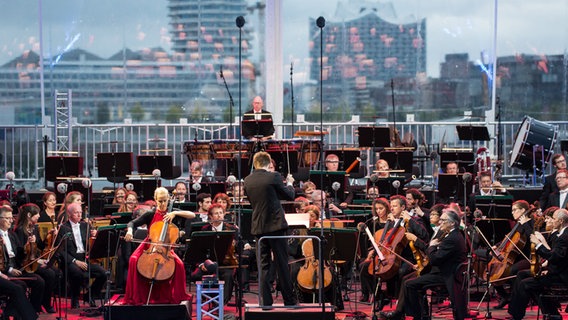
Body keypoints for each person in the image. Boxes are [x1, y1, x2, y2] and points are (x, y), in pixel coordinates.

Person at [123, 187, 195, 305]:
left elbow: (192, 215)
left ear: (168, 199)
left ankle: (176, 296)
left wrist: (175, 212)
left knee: (180, 265)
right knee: (133, 259)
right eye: (160, 201)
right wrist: (130, 231)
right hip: (150, 246)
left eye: (165, 200)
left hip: (165, 249)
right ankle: (136, 295)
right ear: (155, 200)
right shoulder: (150, 214)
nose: (162, 204)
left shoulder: (172, 212)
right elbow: (132, 223)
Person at [243, 151, 297, 308]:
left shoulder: (248, 180)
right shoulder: (273, 176)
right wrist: (290, 183)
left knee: (264, 265)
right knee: (282, 263)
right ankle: (289, 300)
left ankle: (266, 302)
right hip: (275, 226)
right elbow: (290, 196)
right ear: (268, 164)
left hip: (258, 228)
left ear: (255, 164)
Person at [400, 209, 468, 320]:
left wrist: (432, 246)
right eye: (440, 219)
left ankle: (417, 316)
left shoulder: (452, 238)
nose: (440, 222)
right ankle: (423, 314)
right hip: (445, 271)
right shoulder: (452, 235)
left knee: (409, 284)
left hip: (445, 276)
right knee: (409, 279)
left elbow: (434, 260)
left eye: (443, 220)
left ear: (452, 223)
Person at [508, 208, 568, 320]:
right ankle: (551, 313)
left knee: (526, 284)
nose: (549, 221)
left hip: (561, 276)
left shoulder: (564, 236)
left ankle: (517, 315)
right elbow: (557, 256)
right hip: (556, 271)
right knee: (522, 275)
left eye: (553, 219)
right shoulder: (563, 233)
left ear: (560, 221)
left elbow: (554, 257)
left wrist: (538, 245)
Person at [54, 202, 106, 308]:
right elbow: (59, 250)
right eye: (76, 213)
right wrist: (74, 261)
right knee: (77, 273)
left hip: (84, 259)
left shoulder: (85, 225)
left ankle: (89, 295)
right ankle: (75, 298)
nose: (79, 215)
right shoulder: (63, 228)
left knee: (103, 273)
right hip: (71, 260)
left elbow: (90, 245)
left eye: (80, 212)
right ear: (69, 214)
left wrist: (94, 237)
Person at [0, 205, 46, 314]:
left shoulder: (11, 235)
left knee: (39, 281)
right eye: (8, 218)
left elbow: (19, 255)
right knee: (21, 285)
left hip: (17, 267)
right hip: (5, 270)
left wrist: (28, 246)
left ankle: (33, 310)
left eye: (12, 218)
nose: (11, 221)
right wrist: (10, 270)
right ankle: (21, 313)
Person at [13, 203, 57, 313]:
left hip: (34, 261)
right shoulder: (19, 231)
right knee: (48, 275)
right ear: (29, 215)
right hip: (25, 264)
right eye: (36, 214)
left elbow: (40, 247)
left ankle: (44, 301)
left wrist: (48, 236)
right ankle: (38, 305)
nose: (38, 216)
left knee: (55, 272)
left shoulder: (34, 228)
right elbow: (19, 254)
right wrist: (27, 245)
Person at [190, 204, 237, 304]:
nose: (219, 215)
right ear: (210, 216)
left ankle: (221, 303)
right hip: (209, 264)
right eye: (216, 213)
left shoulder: (231, 229)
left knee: (228, 276)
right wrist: (202, 264)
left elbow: (238, 248)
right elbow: (199, 251)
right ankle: (211, 299)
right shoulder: (204, 230)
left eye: (221, 213)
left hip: (225, 265)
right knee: (195, 275)